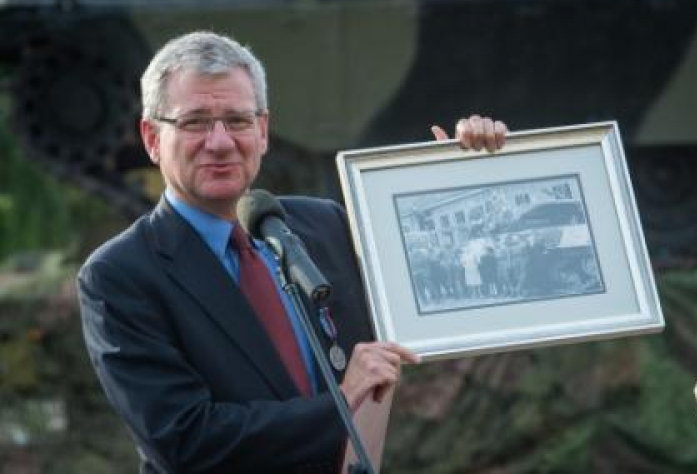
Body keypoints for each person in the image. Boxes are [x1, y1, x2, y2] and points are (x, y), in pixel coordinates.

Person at [77, 31, 507, 474]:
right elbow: (187, 441)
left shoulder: (325, 225)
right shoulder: (118, 276)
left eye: (238, 120)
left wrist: (467, 171)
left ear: (262, 132)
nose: (221, 141)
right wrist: (342, 401)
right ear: (151, 138)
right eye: (195, 122)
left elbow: (440, 284)